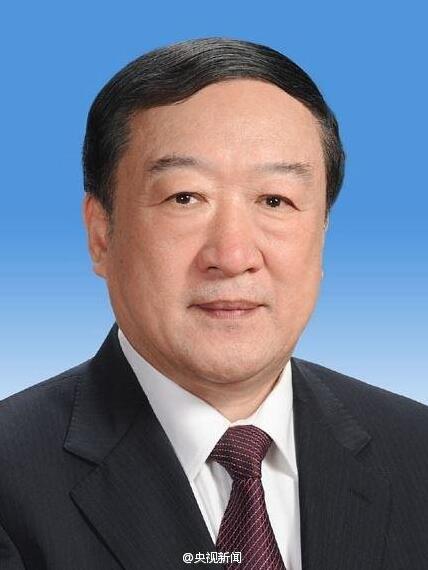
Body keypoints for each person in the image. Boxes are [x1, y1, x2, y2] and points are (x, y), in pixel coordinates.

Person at [0, 37, 427, 570]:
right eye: (185, 197)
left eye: (275, 200)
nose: (232, 256)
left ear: (322, 234)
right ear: (101, 234)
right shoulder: (11, 481)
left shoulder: (417, 452)